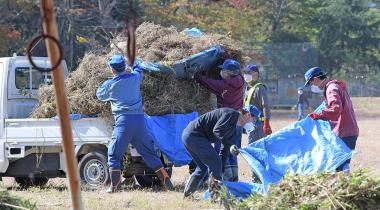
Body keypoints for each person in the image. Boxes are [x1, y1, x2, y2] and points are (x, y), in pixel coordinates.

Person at [96, 55, 173, 193]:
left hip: (123, 121)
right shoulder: (135, 78)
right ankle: (167, 182)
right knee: (149, 153)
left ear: (112, 69)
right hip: (139, 121)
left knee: (114, 153)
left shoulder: (111, 85)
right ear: (124, 66)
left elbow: (99, 95)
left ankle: (115, 187)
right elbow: (138, 68)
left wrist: (107, 82)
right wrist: (131, 60)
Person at [182, 106, 259, 197]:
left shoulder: (234, 128)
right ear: (248, 114)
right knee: (215, 161)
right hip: (194, 135)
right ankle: (216, 196)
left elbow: (224, 148)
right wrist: (228, 144)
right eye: (253, 119)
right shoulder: (231, 114)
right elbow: (217, 130)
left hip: (189, 136)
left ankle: (188, 195)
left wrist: (221, 169)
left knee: (203, 168)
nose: (252, 123)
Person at [192, 59, 244, 181]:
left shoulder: (224, 86)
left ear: (229, 73)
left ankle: (220, 177)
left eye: (223, 70)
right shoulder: (240, 80)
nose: (221, 72)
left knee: (221, 148)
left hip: (227, 121)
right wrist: (225, 55)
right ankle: (233, 178)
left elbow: (208, 82)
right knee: (232, 149)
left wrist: (196, 75)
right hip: (238, 121)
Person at [304, 66, 359, 172]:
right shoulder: (336, 86)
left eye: (311, 83)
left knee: (339, 165)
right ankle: (346, 183)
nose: (313, 86)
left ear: (315, 79)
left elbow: (335, 109)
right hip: (350, 130)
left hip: (344, 131)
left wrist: (318, 115)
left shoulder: (331, 89)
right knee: (342, 163)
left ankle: (345, 185)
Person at [242, 64, 272, 143]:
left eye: (248, 73)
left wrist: (266, 123)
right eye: (245, 73)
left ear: (256, 75)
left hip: (258, 124)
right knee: (252, 146)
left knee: (257, 148)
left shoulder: (259, 88)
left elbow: (265, 106)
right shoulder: (247, 88)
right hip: (250, 124)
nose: (246, 75)